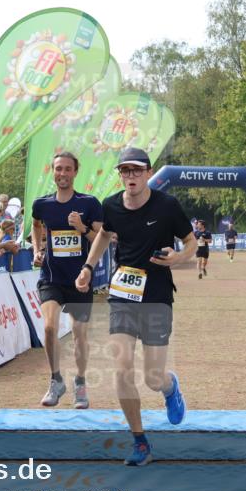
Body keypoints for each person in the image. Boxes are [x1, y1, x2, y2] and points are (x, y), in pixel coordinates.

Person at [75, 147, 194, 466]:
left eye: (137, 170)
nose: (131, 176)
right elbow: (103, 235)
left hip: (156, 296)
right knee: (122, 367)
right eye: (125, 170)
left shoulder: (167, 206)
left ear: (148, 172)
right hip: (123, 296)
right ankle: (140, 442)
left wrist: (178, 258)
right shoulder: (111, 204)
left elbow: (192, 243)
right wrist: (88, 267)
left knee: (153, 378)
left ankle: (170, 387)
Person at [31, 151, 104, 409]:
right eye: (58, 168)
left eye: (67, 169)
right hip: (51, 277)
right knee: (50, 328)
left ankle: (80, 383)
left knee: (79, 333)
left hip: (80, 280)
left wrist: (82, 228)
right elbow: (36, 225)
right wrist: (36, 248)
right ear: (53, 171)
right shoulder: (42, 204)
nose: (62, 173)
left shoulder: (89, 203)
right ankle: (56, 380)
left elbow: (101, 239)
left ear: (75, 172)